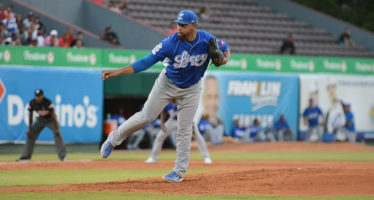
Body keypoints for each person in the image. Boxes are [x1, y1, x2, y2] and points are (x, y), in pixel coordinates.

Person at [100, 10, 229, 183]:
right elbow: (145, 62)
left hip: (192, 88)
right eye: (178, 24)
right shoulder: (170, 43)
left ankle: (178, 171)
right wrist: (117, 72)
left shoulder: (207, 39)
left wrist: (223, 60)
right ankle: (113, 139)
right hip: (167, 84)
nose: (179, 28)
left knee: (185, 130)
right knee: (146, 116)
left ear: (193, 26)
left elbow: (226, 50)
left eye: (183, 25)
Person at [145, 100, 212, 164]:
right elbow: (163, 113)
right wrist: (162, 124)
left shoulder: (183, 101)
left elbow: (190, 113)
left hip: (185, 120)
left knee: (198, 137)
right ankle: (153, 157)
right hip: (173, 121)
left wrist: (191, 123)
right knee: (160, 136)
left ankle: (206, 157)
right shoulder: (168, 103)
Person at [17, 89, 67, 162]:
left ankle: (63, 157)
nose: (38, 98)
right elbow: (30, 116)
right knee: (30, 135)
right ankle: (26, 157)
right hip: (40, 120)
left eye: (39, 96)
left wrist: (57, 129)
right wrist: (30, 129)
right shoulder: (32, 103)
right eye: (36, 96)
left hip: (50, 120)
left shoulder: (47, 102)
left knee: (57, 135)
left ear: (42, 96)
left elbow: (53, 116)